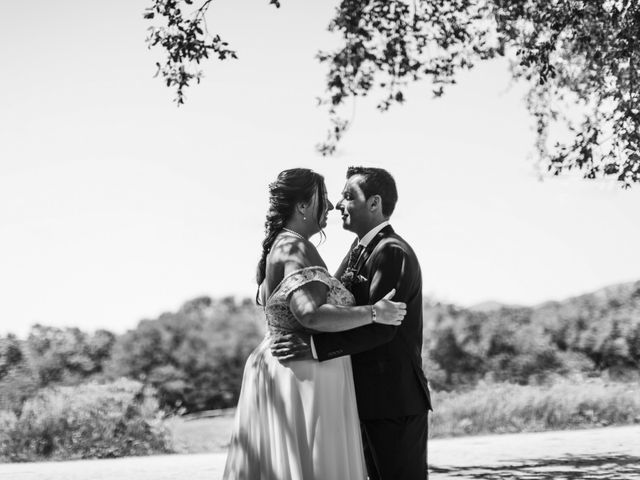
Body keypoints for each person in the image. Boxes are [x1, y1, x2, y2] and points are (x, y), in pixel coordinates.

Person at [222, 168, 407, 480]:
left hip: (288, 369)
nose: (332, 206)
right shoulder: (294, 247)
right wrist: (374, 312)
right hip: (304, 376)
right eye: (323, 198)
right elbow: (310, 314)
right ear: (303, 206)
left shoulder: (282, 245)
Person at [272, 166, 432, 480]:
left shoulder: (392, 253)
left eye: (348, 196)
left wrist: (313, 347)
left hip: (392, 401)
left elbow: (383, 328)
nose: (338, 205)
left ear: (374, 204)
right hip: (360, 398)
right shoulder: (358, 251)